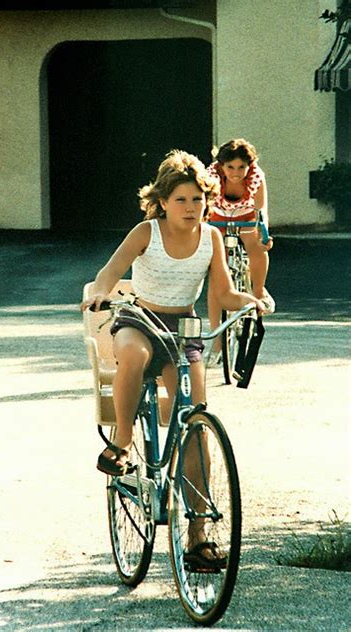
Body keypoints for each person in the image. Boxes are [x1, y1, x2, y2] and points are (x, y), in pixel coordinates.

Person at [80, 149, 265, 570]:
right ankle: (123, 442)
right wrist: (100, 293)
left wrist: (251, 299)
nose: (190, 208)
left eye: (198, 200)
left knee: (195, 420)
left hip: (183, 327)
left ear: (208, 201)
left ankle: (198, 535)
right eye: (181, 200)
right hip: (139, 317)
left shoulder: (212, 237)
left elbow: (222, 293)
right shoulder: (147, 232)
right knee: (133, 354)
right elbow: (110, 273)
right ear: (162, 201)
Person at [206, 138, 275, 366]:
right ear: (221, 166)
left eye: (241, 167)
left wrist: (264, 236)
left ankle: (258, 291)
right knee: (217, 277)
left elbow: (260, 212)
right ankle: (217, 340)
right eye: (230, 167)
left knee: (255, 245)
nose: (236, 173)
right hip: (218, 217)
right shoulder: (211, 176)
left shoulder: (256, 178)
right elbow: (203, 207)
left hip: (246, 216)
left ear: (249, 166)